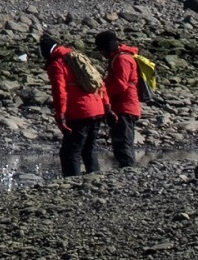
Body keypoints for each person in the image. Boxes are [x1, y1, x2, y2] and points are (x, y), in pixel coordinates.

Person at [42, 32, 107, 176]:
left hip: (80, 111)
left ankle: (72, 182)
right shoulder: (77, 58)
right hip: (97, 108)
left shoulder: (57, 64)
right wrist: (106, 105)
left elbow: (60, 92)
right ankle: (96, 178)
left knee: (70, 152)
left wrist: (61, 115)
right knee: (89, 148)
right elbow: (99, 82)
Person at [98, 29, 147, 167]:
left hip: (125, 107)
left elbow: (120, 85)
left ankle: (128, 171)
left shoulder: (121, 59)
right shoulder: (122, 57)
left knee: (123, 143)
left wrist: (102, 94)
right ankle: (127, 170)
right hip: (126, 106)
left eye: (101, 50)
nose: (101, 54)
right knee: (123, 142)